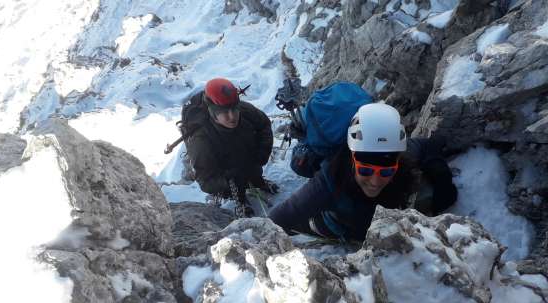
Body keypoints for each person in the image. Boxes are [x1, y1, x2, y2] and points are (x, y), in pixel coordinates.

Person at [269, 103, 456, 242]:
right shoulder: (330, 181)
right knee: (312, 224)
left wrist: (442, 178)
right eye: (365, 170)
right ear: (352, 160)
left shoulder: (403, 159)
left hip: (372, 218)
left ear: (397, 162)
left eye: (386, 171)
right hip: (333, 225)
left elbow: (432, 145)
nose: (375, 181)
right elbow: (278, 219)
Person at [183, 78, 276, 215]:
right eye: (224, 112)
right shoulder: (200, 140)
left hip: (247, 156)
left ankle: (257, 181)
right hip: (226, 172)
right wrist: (227, 180)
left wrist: (263, 152)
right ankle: (240, 199)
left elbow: (264, 125)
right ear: (213, 112)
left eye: (234, 109)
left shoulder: (243, 110)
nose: (232, 116)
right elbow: (206, 181)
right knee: (236, 182)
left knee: (253, 168)